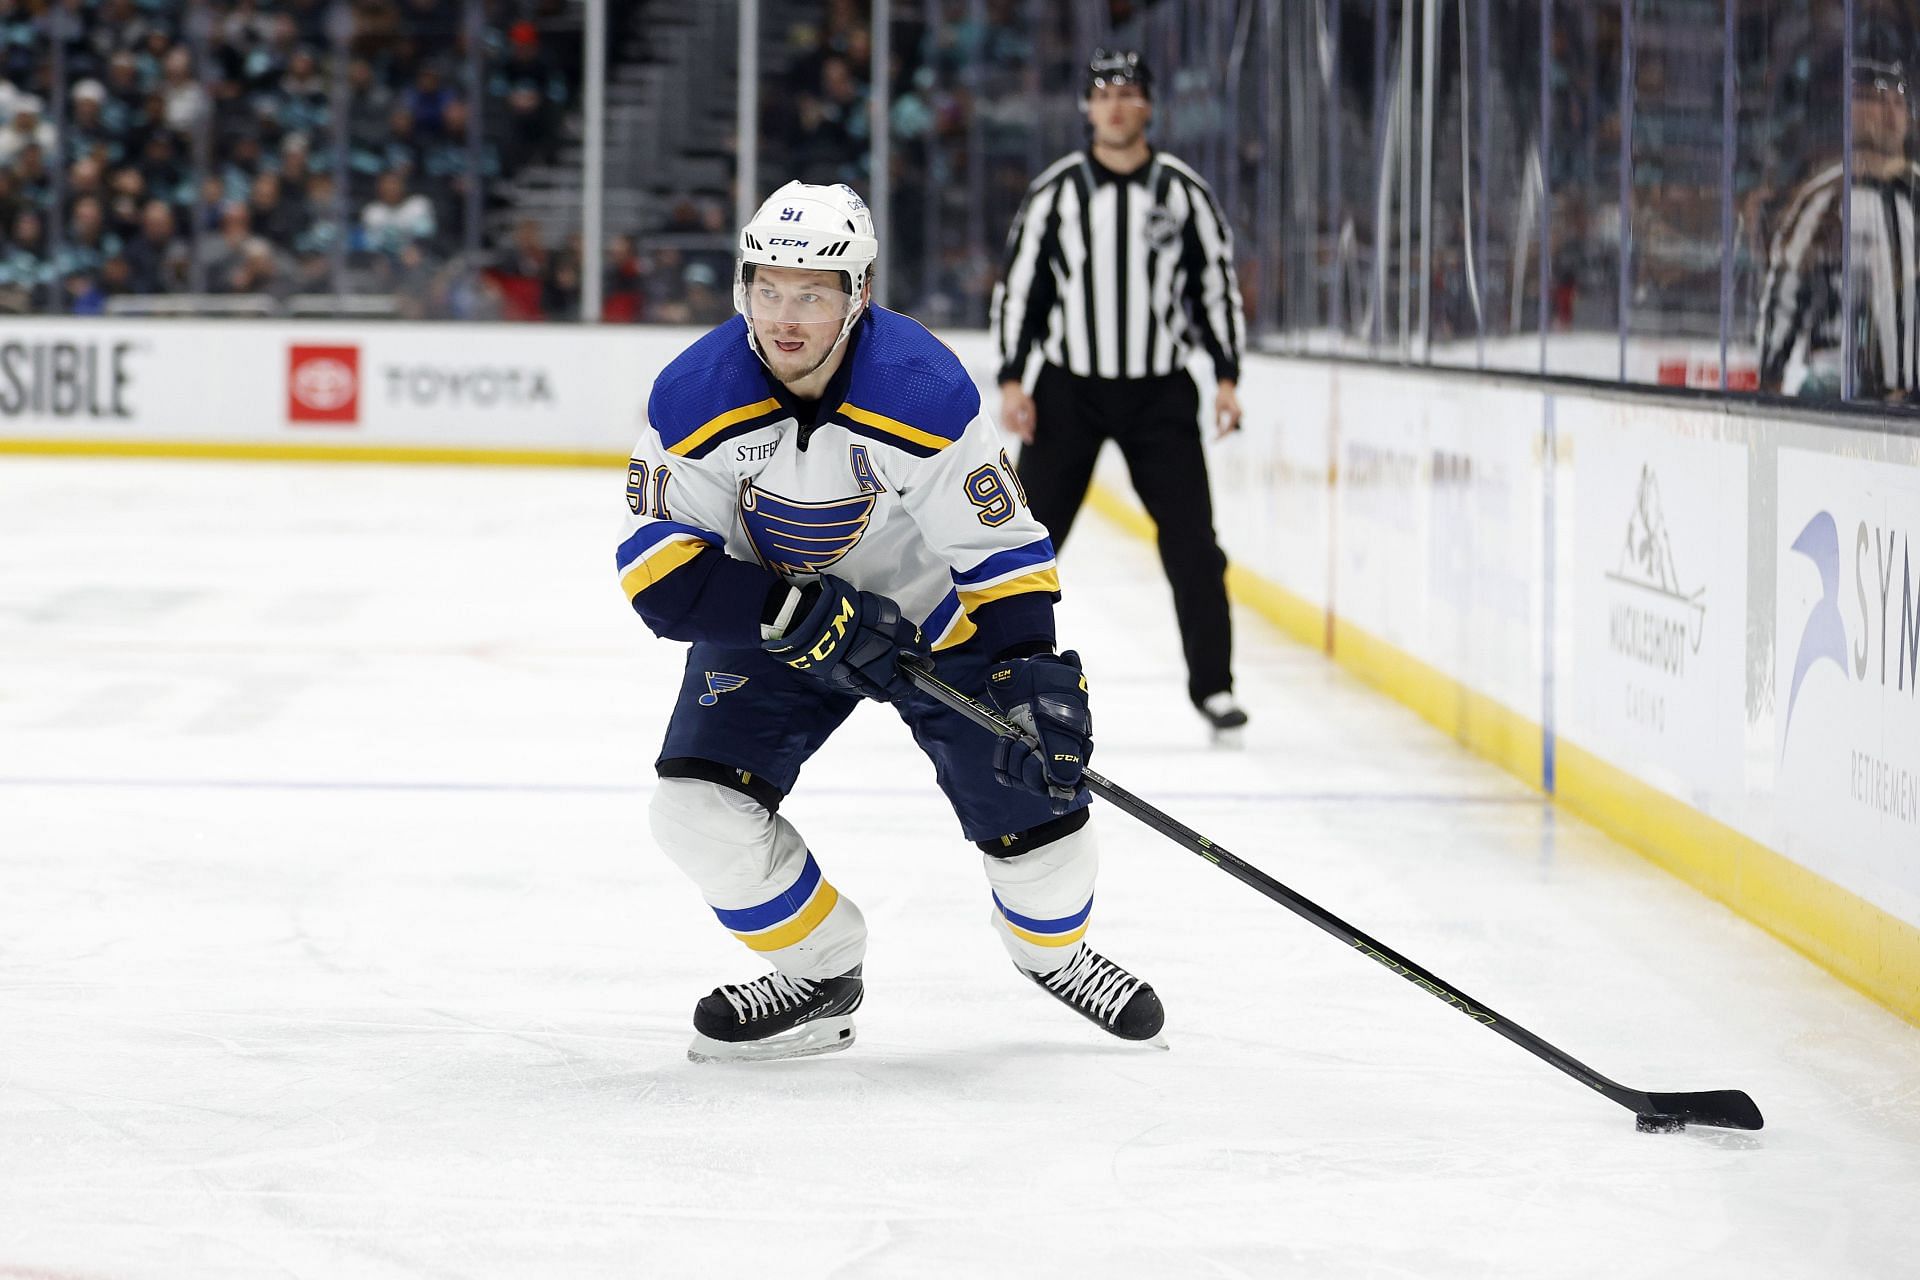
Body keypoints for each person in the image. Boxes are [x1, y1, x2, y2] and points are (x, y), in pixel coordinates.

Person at [615, 180, 1165, 1063]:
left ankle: (1055, 954)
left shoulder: (921, 388)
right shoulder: (692, 396)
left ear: (856, 296)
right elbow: (657, 574)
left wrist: (1029, 673)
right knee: (694, 811)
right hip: (775, 621)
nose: (785, 317)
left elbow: (1002, 551)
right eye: (768, 289)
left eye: (812, 294)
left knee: (1044, 815)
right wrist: (791, 612)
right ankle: (820, 970)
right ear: (741, 288)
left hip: (934, 626)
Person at [992, 48, 1251, 741]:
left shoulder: (1183, 192)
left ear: (1149, 105)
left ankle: (1215, 687)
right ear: (1086, 107)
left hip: (1161, 393)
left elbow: (1214, 287)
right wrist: (1014, 377)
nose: (1116, 104)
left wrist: (1227, 375)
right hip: (1068, 388)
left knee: (1194, 543)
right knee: (1024, 541)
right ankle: (990, 670)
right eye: (1103, 92)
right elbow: (1022, 288)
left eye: (1129, 91)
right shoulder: (1056, 192)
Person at [1758, 54, 1920, 401]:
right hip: (1836, 387)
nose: (1891, 113)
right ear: (1852, 111)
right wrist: (1770, 378)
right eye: (1876, 100)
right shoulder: (1823, 199)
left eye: (1898, 101)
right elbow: (1785, 293)